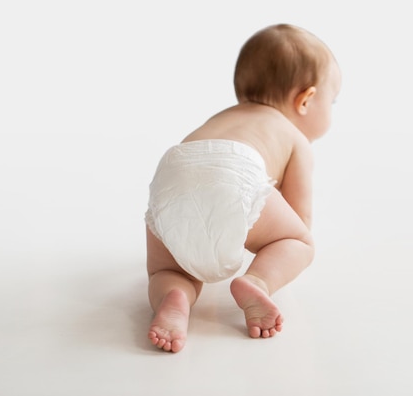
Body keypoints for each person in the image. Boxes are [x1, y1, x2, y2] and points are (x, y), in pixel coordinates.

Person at [145, 23, 342, 352]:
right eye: (333, 101)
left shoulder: (224, 116)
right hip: (235, 169)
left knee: (167, 268)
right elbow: (297, 219)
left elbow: (202, 175)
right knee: (299, 241)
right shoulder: (293, 137)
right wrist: (261, 237)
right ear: (306, 100)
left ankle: (173, 296)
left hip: (172, 174)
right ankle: (256, 282)